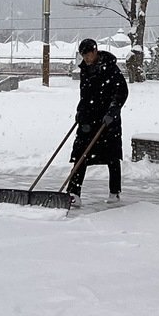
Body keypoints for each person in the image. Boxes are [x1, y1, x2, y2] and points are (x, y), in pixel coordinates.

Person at [66, 38, 129, 205]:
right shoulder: (85, 70)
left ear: (95, 51)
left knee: (112, 157)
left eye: (88, 54)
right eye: (83, 55)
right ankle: (74, 193)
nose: (86, 58)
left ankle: (114, 192)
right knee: (81, 154)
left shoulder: (110, 68)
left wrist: (114, 110)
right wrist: (80, 112)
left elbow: (121, 91)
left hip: (107, 121)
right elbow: (85, 96)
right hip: (89, 119)